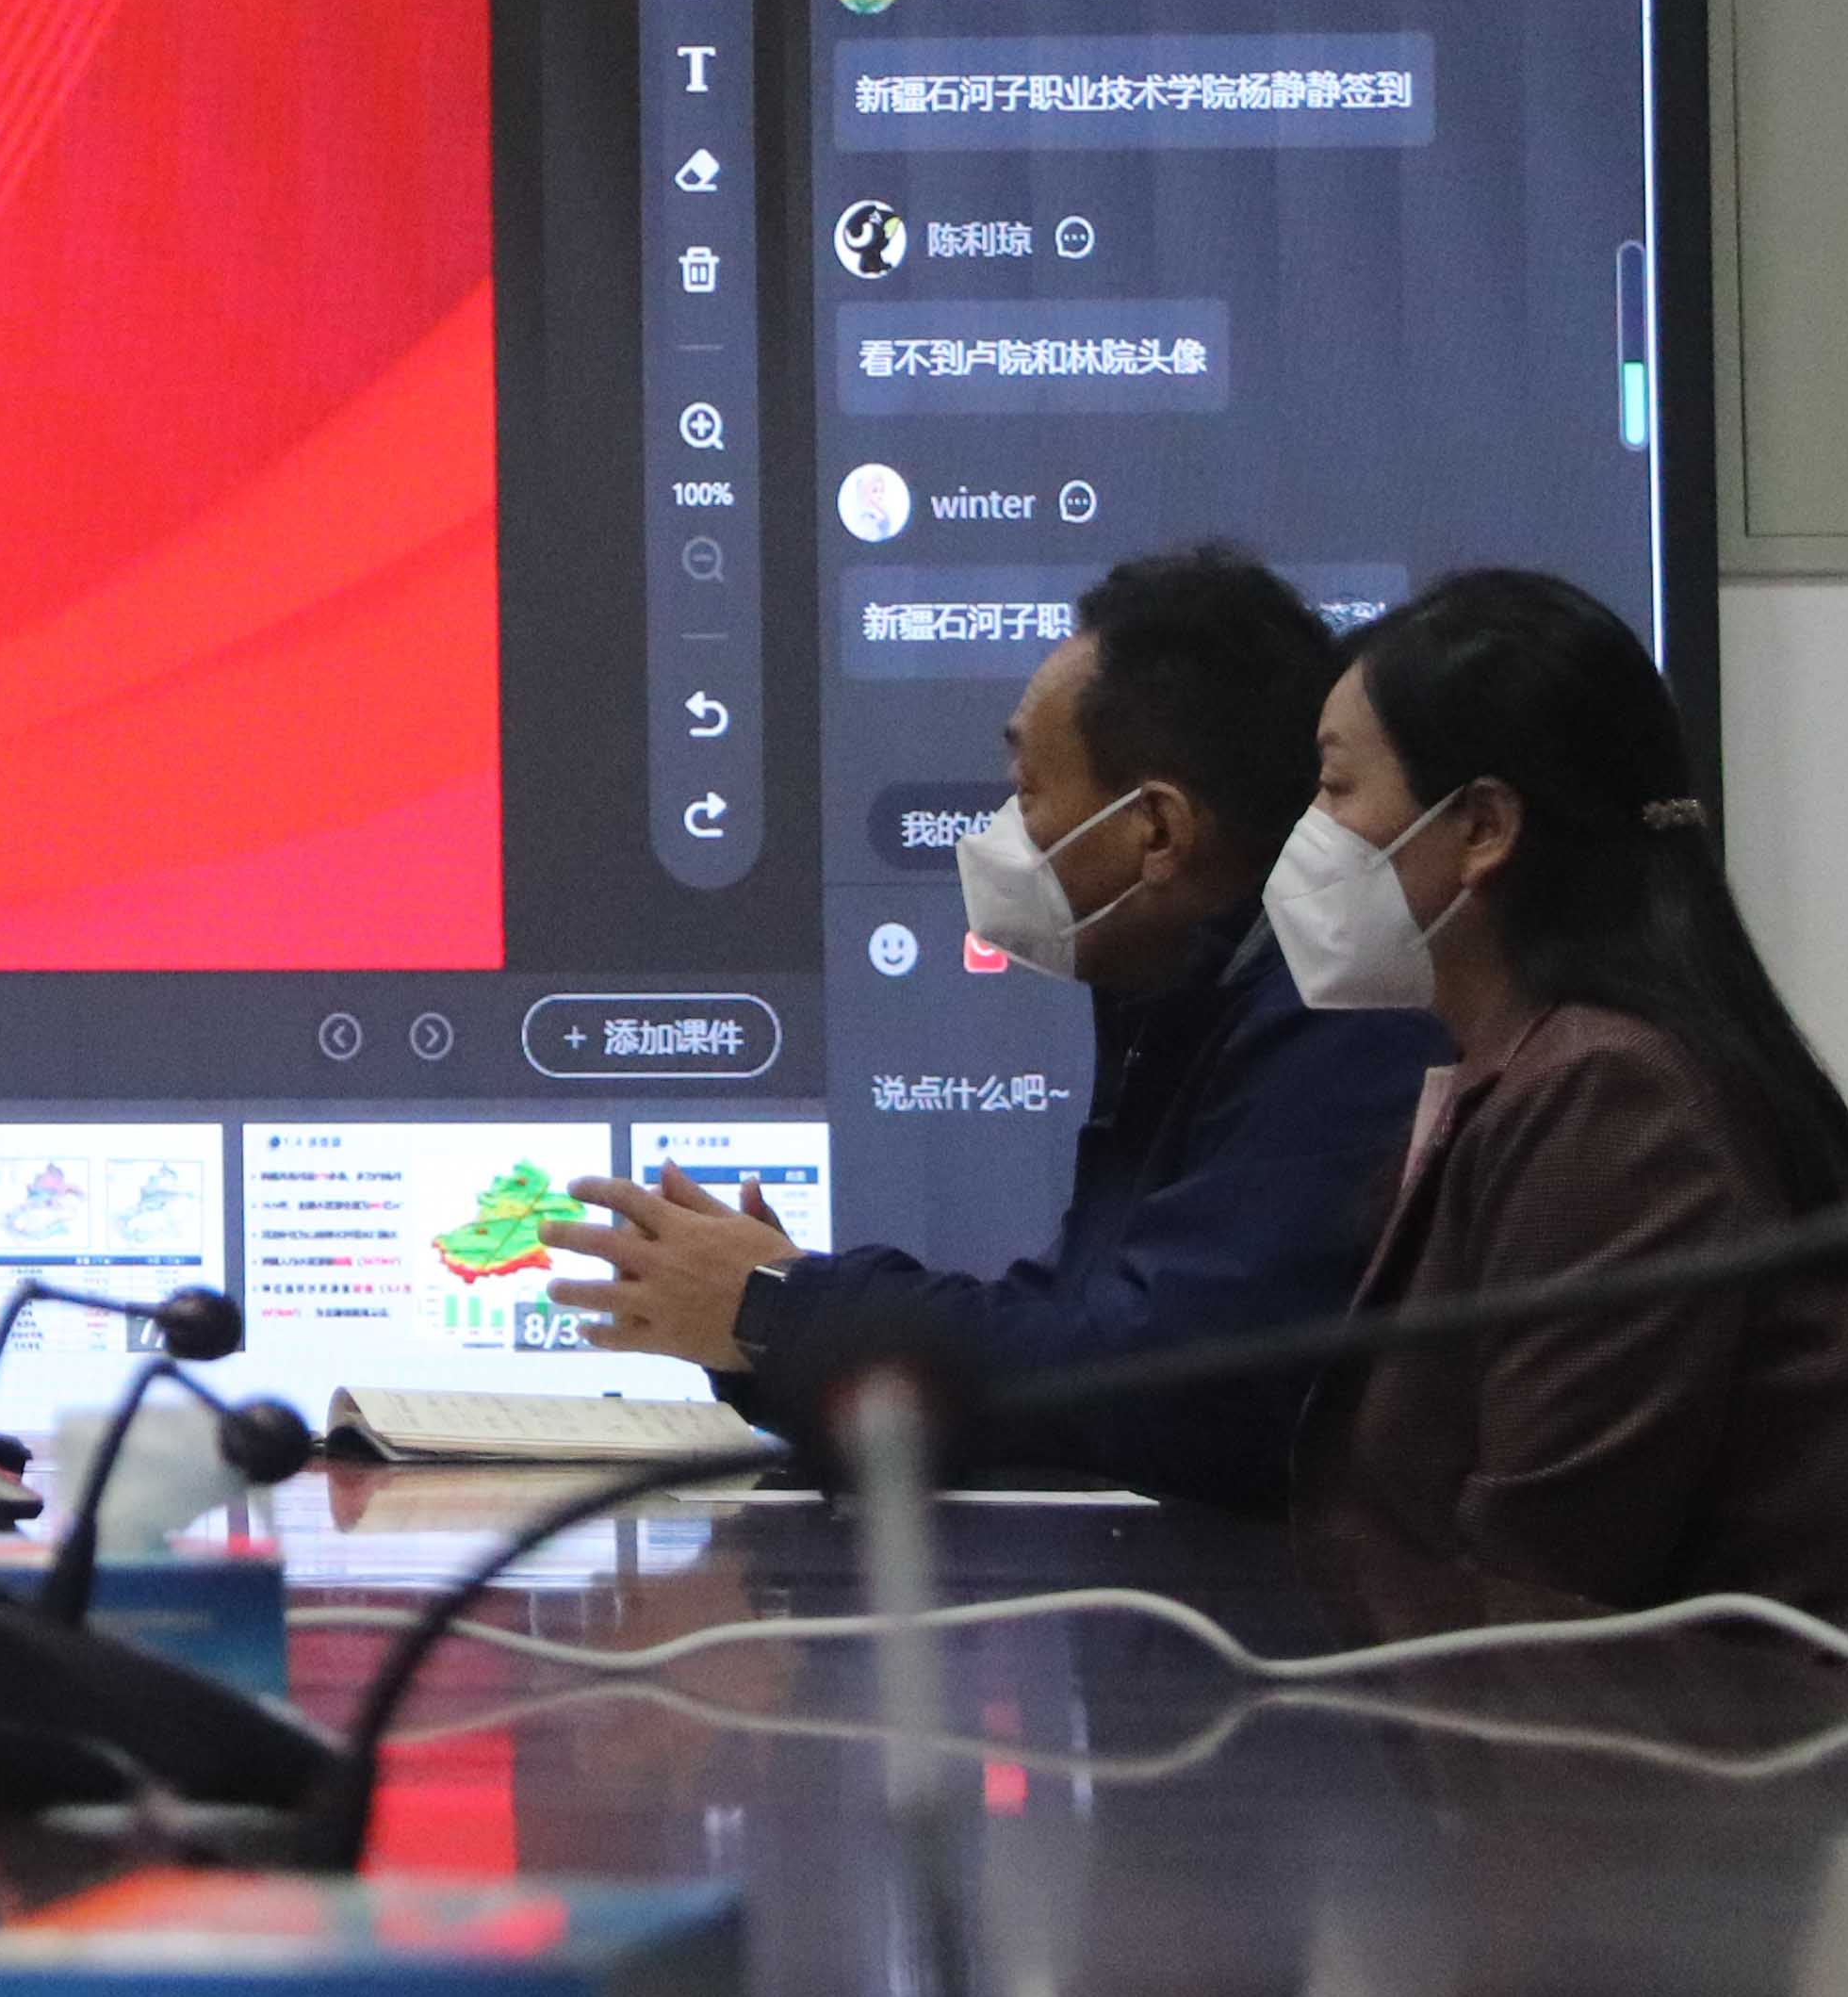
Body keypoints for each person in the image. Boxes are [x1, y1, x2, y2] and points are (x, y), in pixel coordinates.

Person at [546, 546, 1443, 1511]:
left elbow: (1157, 1380)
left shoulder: (1342, 1020)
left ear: (1157, 830)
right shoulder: (1188, 1003)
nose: (998, 834)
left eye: (1027, 791)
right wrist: (769, 1322)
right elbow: (1064, 1330)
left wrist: (777, 1309)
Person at [1278, 567, 1848, 1635]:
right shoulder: (1537, 1066)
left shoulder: (1613, 1099)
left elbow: (1543, 1575)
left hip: (1713, 1738)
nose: (1311, 829)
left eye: (1337, 789)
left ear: (1483, 827)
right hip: (1571, 1725)